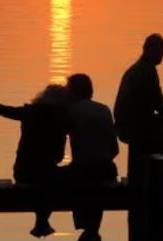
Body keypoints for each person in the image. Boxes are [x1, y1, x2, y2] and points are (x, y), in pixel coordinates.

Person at [0, 84, 70, 238]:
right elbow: (59, 157)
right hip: (47, 175)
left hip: (23, 171)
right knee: (49, 177)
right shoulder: (60, 120)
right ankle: (42, 221)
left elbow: (0, 109)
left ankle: (41, 221)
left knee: (42, 177)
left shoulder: (29, 112)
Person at [113, 33, 163, 241]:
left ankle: (158, 177)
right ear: (147, 50)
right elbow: (160, 106)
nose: (161, 55)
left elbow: (157, 106)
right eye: (158, 51)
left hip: (132, 123)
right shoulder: (144, 72)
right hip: (133, 126)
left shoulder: (142, 69)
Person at [64, 73, 119, 241]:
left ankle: (87, 230)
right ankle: (91, 231)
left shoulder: (70, 111)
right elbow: (114, 150)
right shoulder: (104, 109)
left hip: (83, 174)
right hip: (106, 171)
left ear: (73, 91)